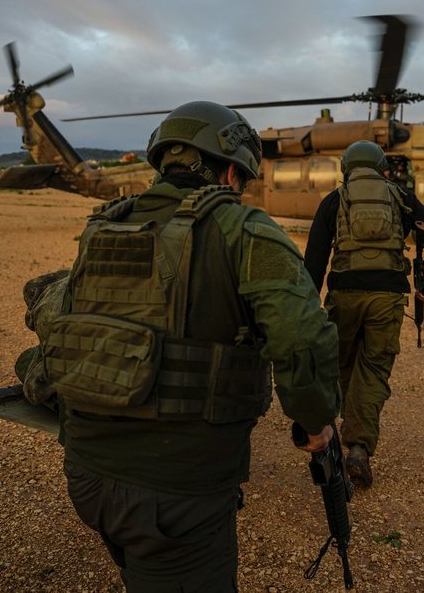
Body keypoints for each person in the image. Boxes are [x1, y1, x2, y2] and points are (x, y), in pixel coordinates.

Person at [47, 101, 341, 592]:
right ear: (230, 170)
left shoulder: (104, 226)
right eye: (243, 178)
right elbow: (302, 336)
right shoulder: (243, 228)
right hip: (177, 489)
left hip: (86, 471)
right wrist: (316, 422)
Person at [304, 140, 424, 488]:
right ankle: (358, 448)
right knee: (374, 368)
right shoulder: (401, 197)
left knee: (342, 363)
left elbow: (315, 258)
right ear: (382, 167)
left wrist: (307, 302)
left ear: (346, 168)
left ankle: (345, 430)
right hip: (387, 296)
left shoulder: (334, 200)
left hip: (344, 294)